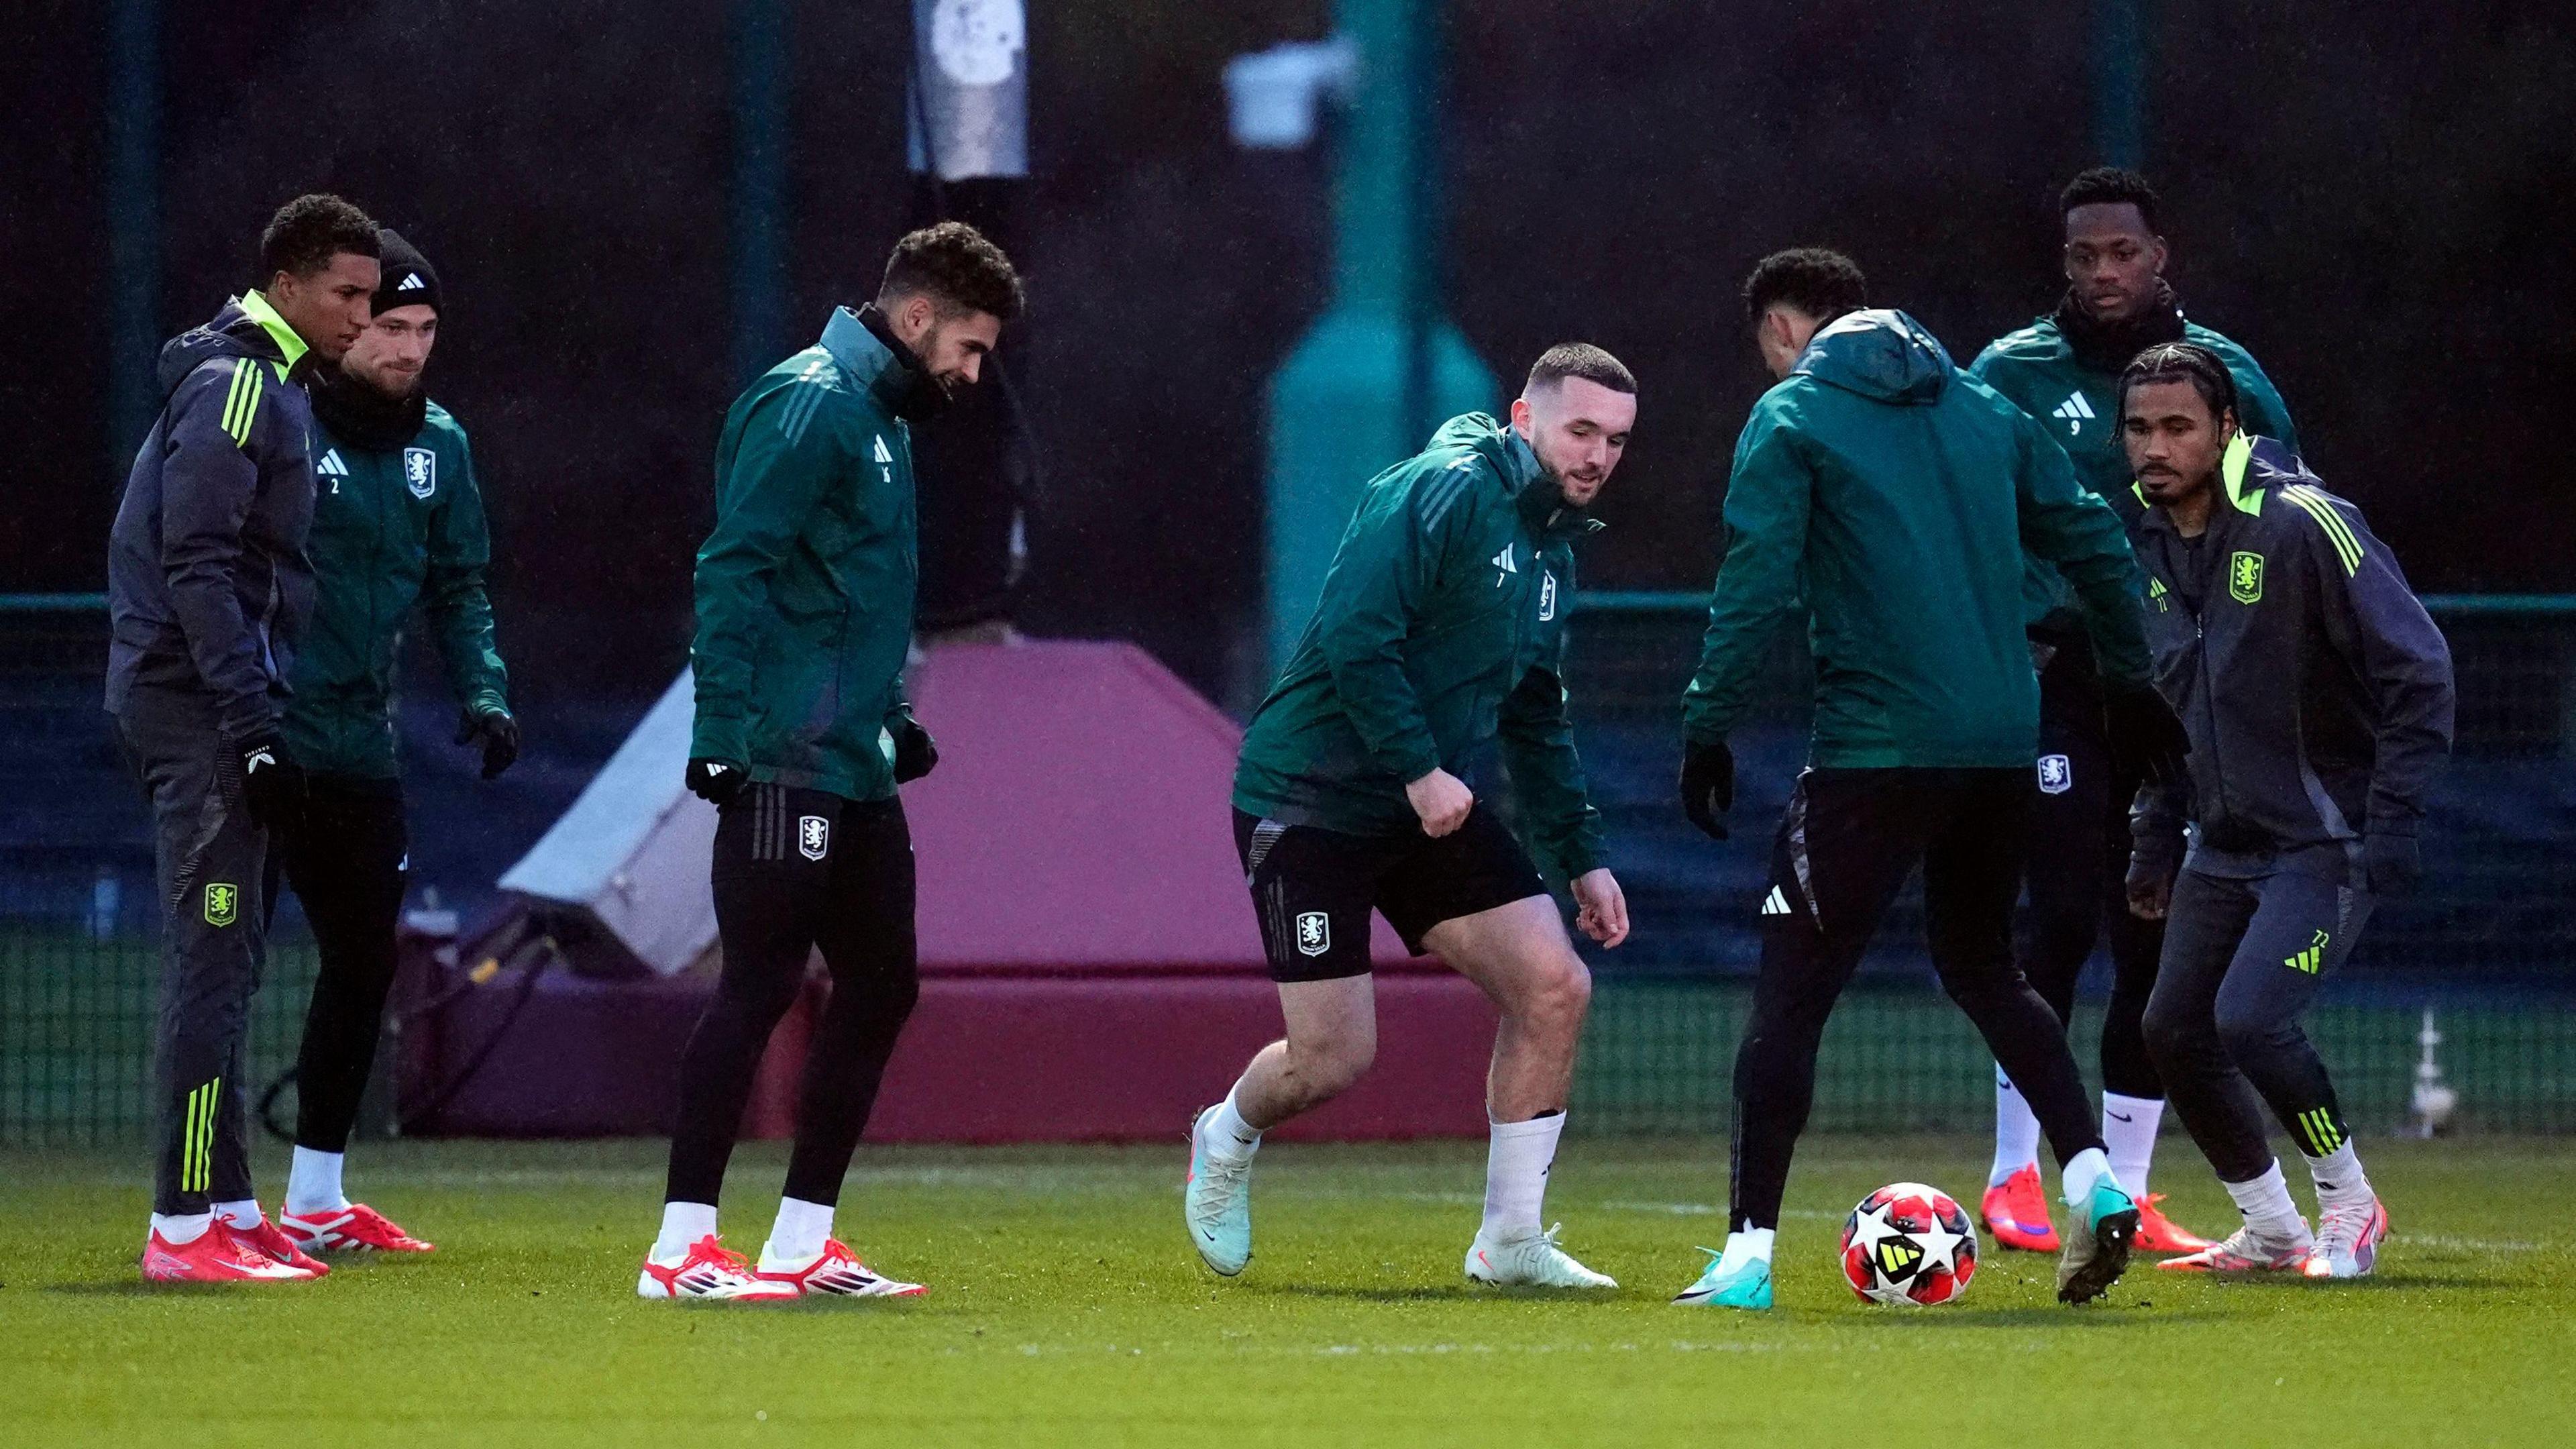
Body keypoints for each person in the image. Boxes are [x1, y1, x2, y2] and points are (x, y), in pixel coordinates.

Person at [1670, 249, 2187, 1310]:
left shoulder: (1793, 418)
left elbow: (1756, 580)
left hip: (1873, 750)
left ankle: (1747, 1260)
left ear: (1783, 332)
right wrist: (2131, 683)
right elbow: (2095, 534)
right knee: (1987, 968)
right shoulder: (1984, 409)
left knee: (1792, 997)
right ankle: (2090, 1177)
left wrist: (1707, 726)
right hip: (2002, 744)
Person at [1187, 345, 1638, 1291]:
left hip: (1425, 804)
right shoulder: (1441, 489)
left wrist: (1583, 857)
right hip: (1311, 800)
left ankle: (1509, 1241)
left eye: (1616, 440)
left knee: (1556, 986)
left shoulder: (1554, 544)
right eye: (1581, 430)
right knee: (1333, 1057)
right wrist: (1421, 769)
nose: (1597, 455)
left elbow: (1534, 711)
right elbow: (1357, 636)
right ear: (1524, 418)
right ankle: (1225, 1137)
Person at [643, 223, 1024, 1301]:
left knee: (883, 984)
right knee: (760, 984)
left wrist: (891, 714)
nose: (971, 371)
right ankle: (679, 1250)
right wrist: (721, 736)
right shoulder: (811, 404)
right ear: (916, 319)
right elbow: (735, 570)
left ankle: (801, 1242)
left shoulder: (883, 419)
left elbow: (847, 598)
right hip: (784, 750)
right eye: (968, 347)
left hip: (850, 757)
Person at [1969, 168, 2302, 1254]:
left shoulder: (2229, 376)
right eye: (2083, 256)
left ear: (2163, 256)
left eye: (2123, 252)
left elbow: (2280, 523)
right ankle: (2017, 1175)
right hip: (2055, 677)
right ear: (2062, 264)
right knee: (2058, 915)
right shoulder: (2009, 374)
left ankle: (2129, 1186)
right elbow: (1954, 509)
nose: (2103, 273)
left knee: (2154, 934)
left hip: (2175, 690)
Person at [2114, 343, 2452, 1279]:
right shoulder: (2139, 544)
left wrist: (2397, 817)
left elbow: (2419, 667)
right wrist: (2153, 832)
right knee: (2170, 1029)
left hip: (2322, 838)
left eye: (2178, 426)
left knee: (2251, 1019)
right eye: (2139, 428)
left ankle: (2351, 1204)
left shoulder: (2303, 522)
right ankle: (2271, 1229)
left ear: (2226, 429)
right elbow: (2168, 704)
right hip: (2219, 845)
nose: (2155, 446)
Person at [106, 194, 381, 1284]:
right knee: (211, 963)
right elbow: (200, 563)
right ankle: (180, 1232)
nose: (363, 317)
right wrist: (254, 718)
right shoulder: (235, 389)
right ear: (288, 282)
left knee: (234, 958)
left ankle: (226, 1202)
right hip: (199, 707)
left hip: (206, 701)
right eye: (348, 295)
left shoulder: (267, 386)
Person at [268, 228, 515, 1258]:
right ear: (347, 325)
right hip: (264, 734)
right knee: (221, 966)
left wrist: (486, 695)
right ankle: (202, 1210)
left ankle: (314, 1199)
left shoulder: (440, 447)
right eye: (391, 326)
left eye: (425, 330)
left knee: (363, 965)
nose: (409, 348)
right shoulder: (277, 422)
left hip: (361, 748)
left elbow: (460, 586)